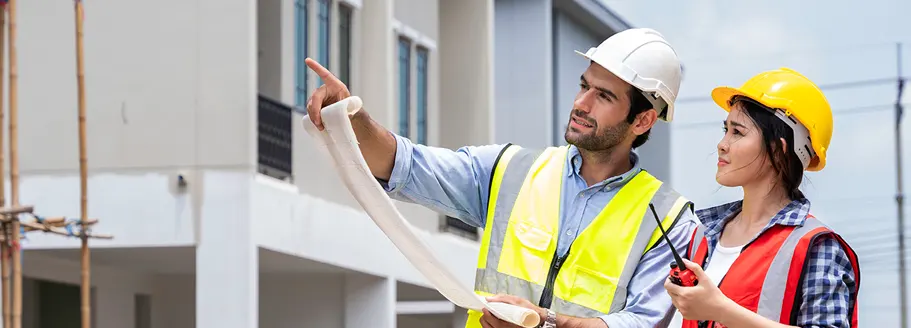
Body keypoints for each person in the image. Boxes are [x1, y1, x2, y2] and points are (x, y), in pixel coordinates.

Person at [305, 28, 698, 328]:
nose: (581, 103)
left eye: (604, 96)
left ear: (643, 119)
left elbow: (641, 323)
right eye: (583, 86)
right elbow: (403, 164)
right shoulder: (509, 170)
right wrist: (353, 117)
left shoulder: (669, 220)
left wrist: (544, 321)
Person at [664, 68, 861, 328]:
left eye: (738, 132)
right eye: (725, 130)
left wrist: (720, 310)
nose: (722, 144)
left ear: (778, 149)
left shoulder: (815, 247)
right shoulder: (702, 235)